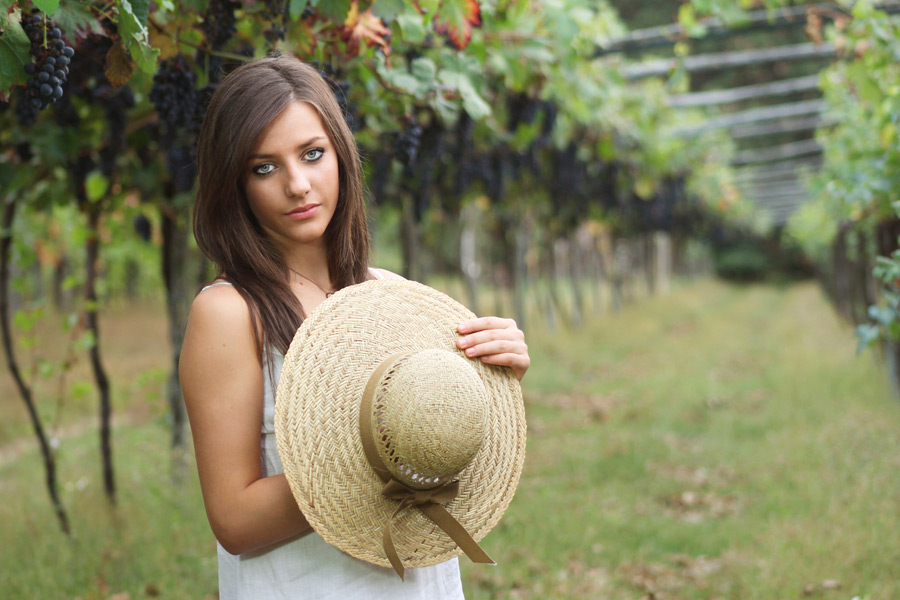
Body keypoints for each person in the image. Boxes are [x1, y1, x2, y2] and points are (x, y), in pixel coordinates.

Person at [179, 55, 530, 599]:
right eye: (264, 167)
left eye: (312, 154)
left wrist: (489, 388)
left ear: (341, 155)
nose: (298, 184)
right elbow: (234, 520)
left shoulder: (387, 292)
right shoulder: (229, 311)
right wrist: (375, 456)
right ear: (235, 183)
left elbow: (443, 454)